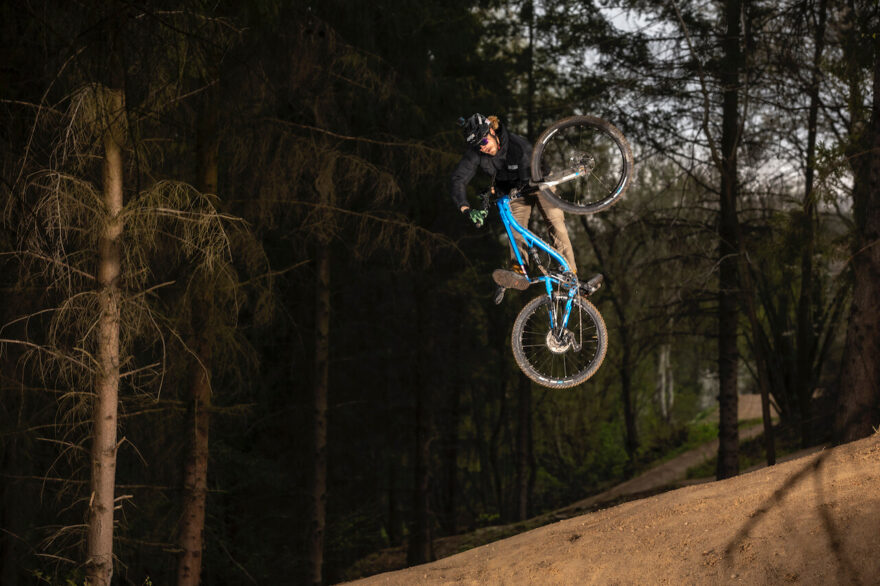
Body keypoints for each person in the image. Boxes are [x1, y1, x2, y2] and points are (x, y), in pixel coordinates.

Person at [450, 113, 596, 303]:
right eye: (478, 145)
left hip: (539, 182)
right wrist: (466, 208)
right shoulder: (478, 151)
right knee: (515, 226)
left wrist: (502, 190)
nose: (483, 147)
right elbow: (458, 180)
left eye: (485, 140)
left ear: (492, 131)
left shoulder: (518, 146)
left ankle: (570, 272)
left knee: (555, 222)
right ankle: (520, 268)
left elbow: (529, 176)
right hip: (514, 192)